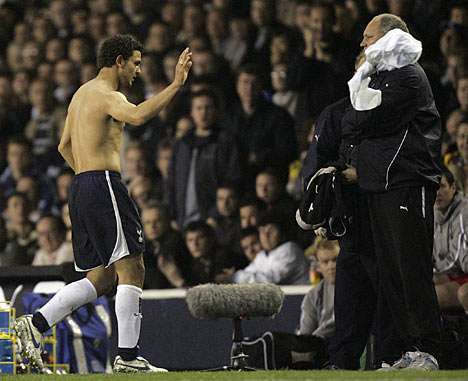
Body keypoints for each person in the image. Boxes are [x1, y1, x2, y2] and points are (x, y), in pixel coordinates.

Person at [14, 34, 192, 373]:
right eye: (136, 63)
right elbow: (138, 116)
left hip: (81, 186)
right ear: (120, 61)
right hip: (103, 184)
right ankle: (128, 357)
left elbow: (64, 146)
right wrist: (175, 85)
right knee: (133, 266)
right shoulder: (107, 95)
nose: (138, 70)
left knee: (101, 277)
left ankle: (34, 324)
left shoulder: (81, 94)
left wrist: (86, 174)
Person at [347, 14, 442, 370]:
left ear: (389, 37)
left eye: (368, 36)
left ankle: (430, 350)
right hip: (383, 185)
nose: (362, 44)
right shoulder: (386, 77)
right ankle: (410, 350)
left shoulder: (408, 76)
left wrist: (358, 118)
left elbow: (366, 119)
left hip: (407, 182)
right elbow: (352, 119)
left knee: (411, 270)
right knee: (392, 274)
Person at [433, 168, 468, 312]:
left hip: (462, 273)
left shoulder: (464, 212)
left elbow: (458, 259)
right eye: (434, 187)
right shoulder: (434, 213)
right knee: (418, 286)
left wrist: (434, 270)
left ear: (453, 188)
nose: (437, 192)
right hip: (455, 273)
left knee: (429, 294)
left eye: (442, 186)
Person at [299, 238, 338, 340]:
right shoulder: (313, 296)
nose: (331, 266)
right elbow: (305, 336)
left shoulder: (357, 289)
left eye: (335, 259)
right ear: (318, 266)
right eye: (325, 262)